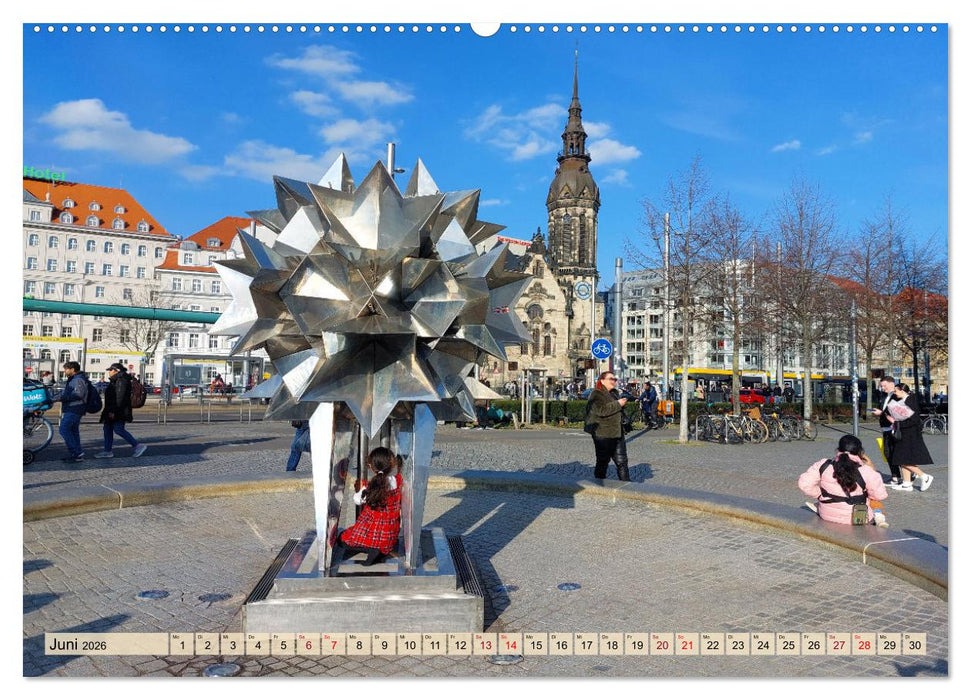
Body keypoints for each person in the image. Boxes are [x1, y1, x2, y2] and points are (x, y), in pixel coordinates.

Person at [798, 434, 890, 527]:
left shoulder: (823, 465)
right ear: (860, 452)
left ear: (838, 449)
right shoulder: (866, 470)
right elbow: (880, 495)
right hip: (858, 518)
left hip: (827, 515)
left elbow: (804, 484)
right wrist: (872, 469)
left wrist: (820, 495)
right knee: (874, 502)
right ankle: (879, 517)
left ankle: (817, 506)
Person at [333, 447, 403, 566]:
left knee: (341, 539)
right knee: (381, 538)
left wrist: (359, 489)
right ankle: (380, 550)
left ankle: (373, 549)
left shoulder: (370, 487)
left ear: (370, 466)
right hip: (390, 537)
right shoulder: (398, 481)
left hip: (372, 534)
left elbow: (357, 500)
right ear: (392, 464)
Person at [885, 383, 934, 492]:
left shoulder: (910, 401)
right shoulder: (903, 400)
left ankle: (924, 476)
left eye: (896, 391)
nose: (895, 393)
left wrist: (896, 423)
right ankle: (907, 483)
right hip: (904, 433)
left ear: (902, 391)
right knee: (903, 458)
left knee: (902, 458)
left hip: (910, 434)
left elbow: (914, 420)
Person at [583, 371, 630, 481]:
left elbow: (617, 410)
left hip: (618, 432)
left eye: (615, 379)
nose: (614, 381)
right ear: (602, 381)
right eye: (611, 379)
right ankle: (600, 484)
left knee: (622, 461)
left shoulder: (614, 393)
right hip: (603, 433)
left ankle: (627, 485)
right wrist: (618, 404)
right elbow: (601, 410)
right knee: (603, 461)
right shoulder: (596, 394)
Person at [95, 363, 147, 459]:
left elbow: (119, 397)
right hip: (113, 409)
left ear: (116, 371)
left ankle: (137, 446)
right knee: (107, 429)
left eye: (110, 370)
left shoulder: (121, 380)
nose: (109, 372)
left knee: (118, 429)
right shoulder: (116, 380)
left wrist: (113, 411)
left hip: (119, 410)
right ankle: (107, 450)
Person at [870, 376, 903, 485]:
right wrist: (879, 413)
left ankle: (909, 473)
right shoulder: (885, 396)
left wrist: (881, 413)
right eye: (881, 386)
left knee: (896, 453)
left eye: (884, 386)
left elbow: (896, 412)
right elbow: (885, 410)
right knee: (888, 453)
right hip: (885, 428)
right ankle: (895, 476)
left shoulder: (897, 396)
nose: (883, 388)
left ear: (891, 384)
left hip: (893, 428)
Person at [55, 361, 88, 463]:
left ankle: (76, 452)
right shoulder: (74, 379)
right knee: (73, 431)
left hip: (75, 408)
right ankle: (77, 454)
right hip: (73, 407)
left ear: (72, 370)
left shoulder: (78, 379)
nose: (65, 371)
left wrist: (63, 398)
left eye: (66, 369)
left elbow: (79, 394)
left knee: (63, 429)